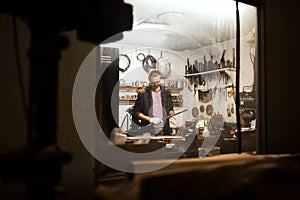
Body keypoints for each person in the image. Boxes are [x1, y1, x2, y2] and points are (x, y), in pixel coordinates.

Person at [131, 69, 174, 135]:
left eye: (158, 82)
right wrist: (150, 119)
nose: (156, 85)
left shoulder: (166, 92)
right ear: (149, 80)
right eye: (153, 83)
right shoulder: (143, 93)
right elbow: (136, 112)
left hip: (164, 129)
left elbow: (170, 109)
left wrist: (171, 115)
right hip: (148, 130)